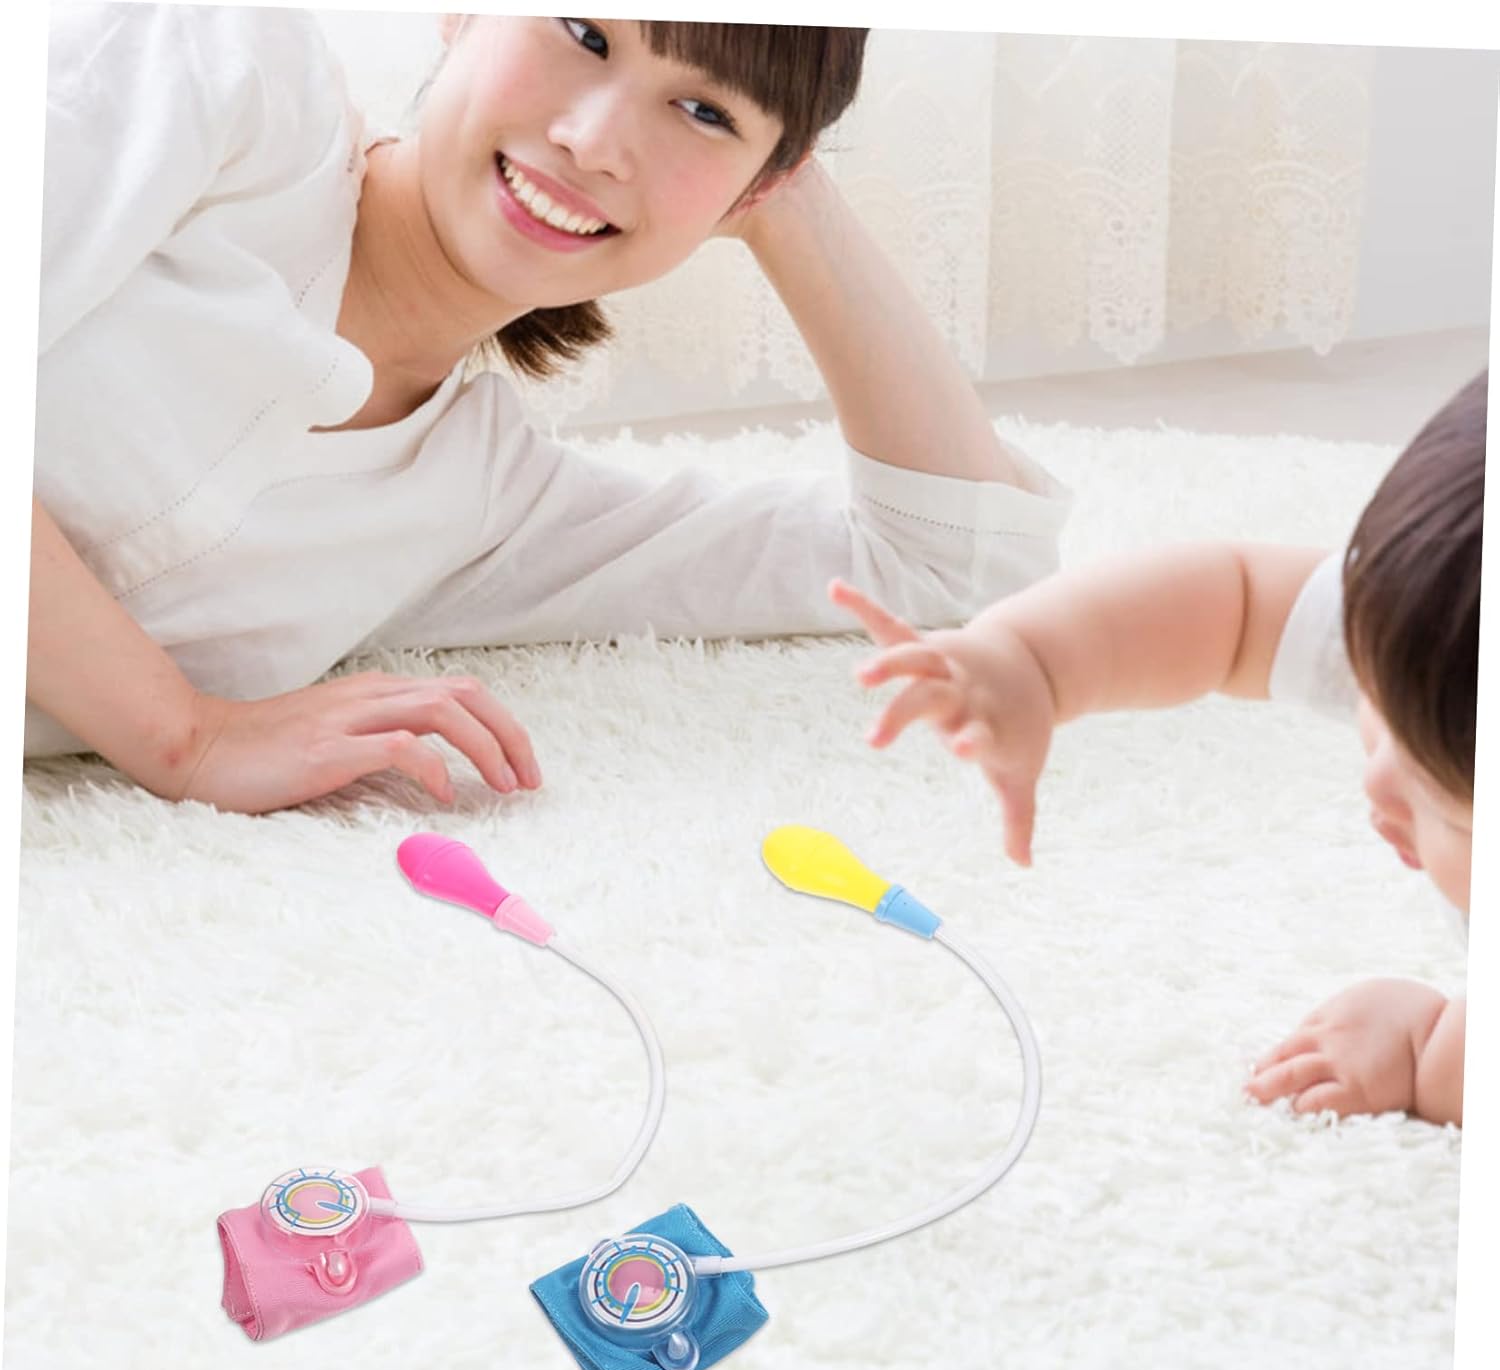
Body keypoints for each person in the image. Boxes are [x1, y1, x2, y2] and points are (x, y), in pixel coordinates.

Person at [27, 6, 1068, 813]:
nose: (595, 141)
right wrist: (188, 736)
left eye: (705, 112)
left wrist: (782, 195)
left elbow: (950, 562)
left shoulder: (479, 503)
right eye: (583, 33)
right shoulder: (223, 68)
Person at [833, 371, 1485, 1126]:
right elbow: (1241, 600)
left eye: (1449, 809)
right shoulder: (1438, 635)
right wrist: (1031, 662)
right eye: (1374, 701)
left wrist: (1428, 1047)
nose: (1376, 782)